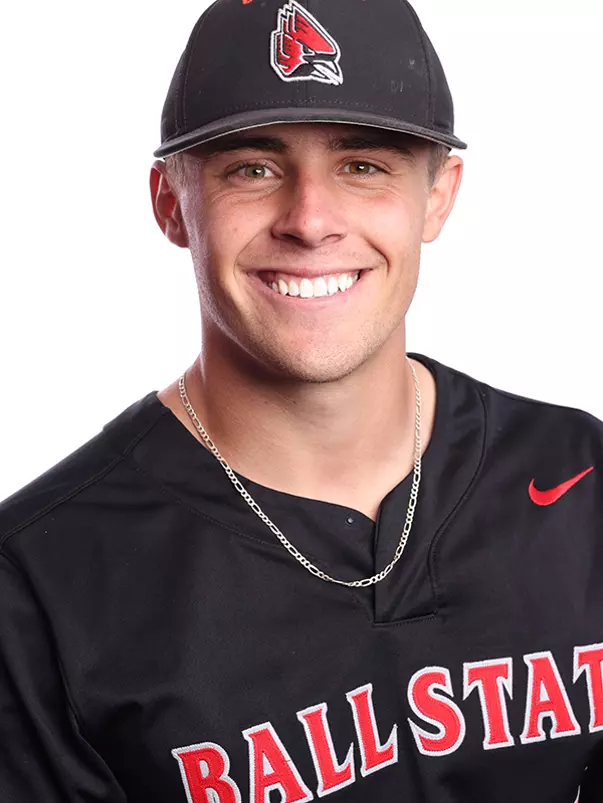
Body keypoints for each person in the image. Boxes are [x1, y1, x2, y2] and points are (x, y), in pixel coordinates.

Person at [1, 0, 602, 800]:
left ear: (437, 195)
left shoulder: (579, 477)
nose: (310, 220)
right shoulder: (40, 586)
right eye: (252, 167)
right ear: (171, 202)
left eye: (363, 165)